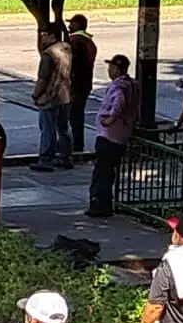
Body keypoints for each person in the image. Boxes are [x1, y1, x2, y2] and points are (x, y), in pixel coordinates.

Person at [87, 54, 139, 217]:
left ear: (117, 69)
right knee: (108, 173)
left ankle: (99, 205)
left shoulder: (119, 87)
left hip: (109, 136)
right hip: (122, 135)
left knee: (101, 173)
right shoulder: (132, 85)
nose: (109, 70)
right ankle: (105, 204)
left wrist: (109, 119)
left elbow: (118, 103)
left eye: (111, 67)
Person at [33, 23, 74, 171]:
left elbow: (43, 78)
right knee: (63, 127)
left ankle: (45, 159)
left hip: (50, 96)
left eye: (45, 34)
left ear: (52, 36)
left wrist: (36, 94)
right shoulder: (66, 48)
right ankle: (65, 156)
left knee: (47, 128)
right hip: (65, 94)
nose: (42, 37)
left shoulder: (48, 54)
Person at [67, 14, 98, 154]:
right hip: (85, 85)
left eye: (71, 23)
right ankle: (77, 144)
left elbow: (74, 65)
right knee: (77, 115)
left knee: (73, 116)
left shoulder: (76, 42)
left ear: (78, 25)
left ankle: (74, 145)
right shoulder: (89, 42)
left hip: (75, 85)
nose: (69, 26)